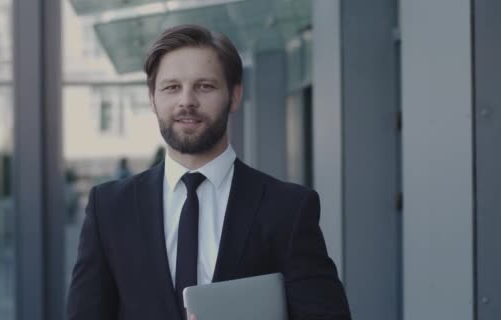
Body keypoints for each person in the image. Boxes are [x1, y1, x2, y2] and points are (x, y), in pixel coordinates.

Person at [67, 24, 351, 320]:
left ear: (235, 95)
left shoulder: (288, 209)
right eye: (171, 87)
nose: (187, 101)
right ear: (152, 99)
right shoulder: (110, 208)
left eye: (205, 86)